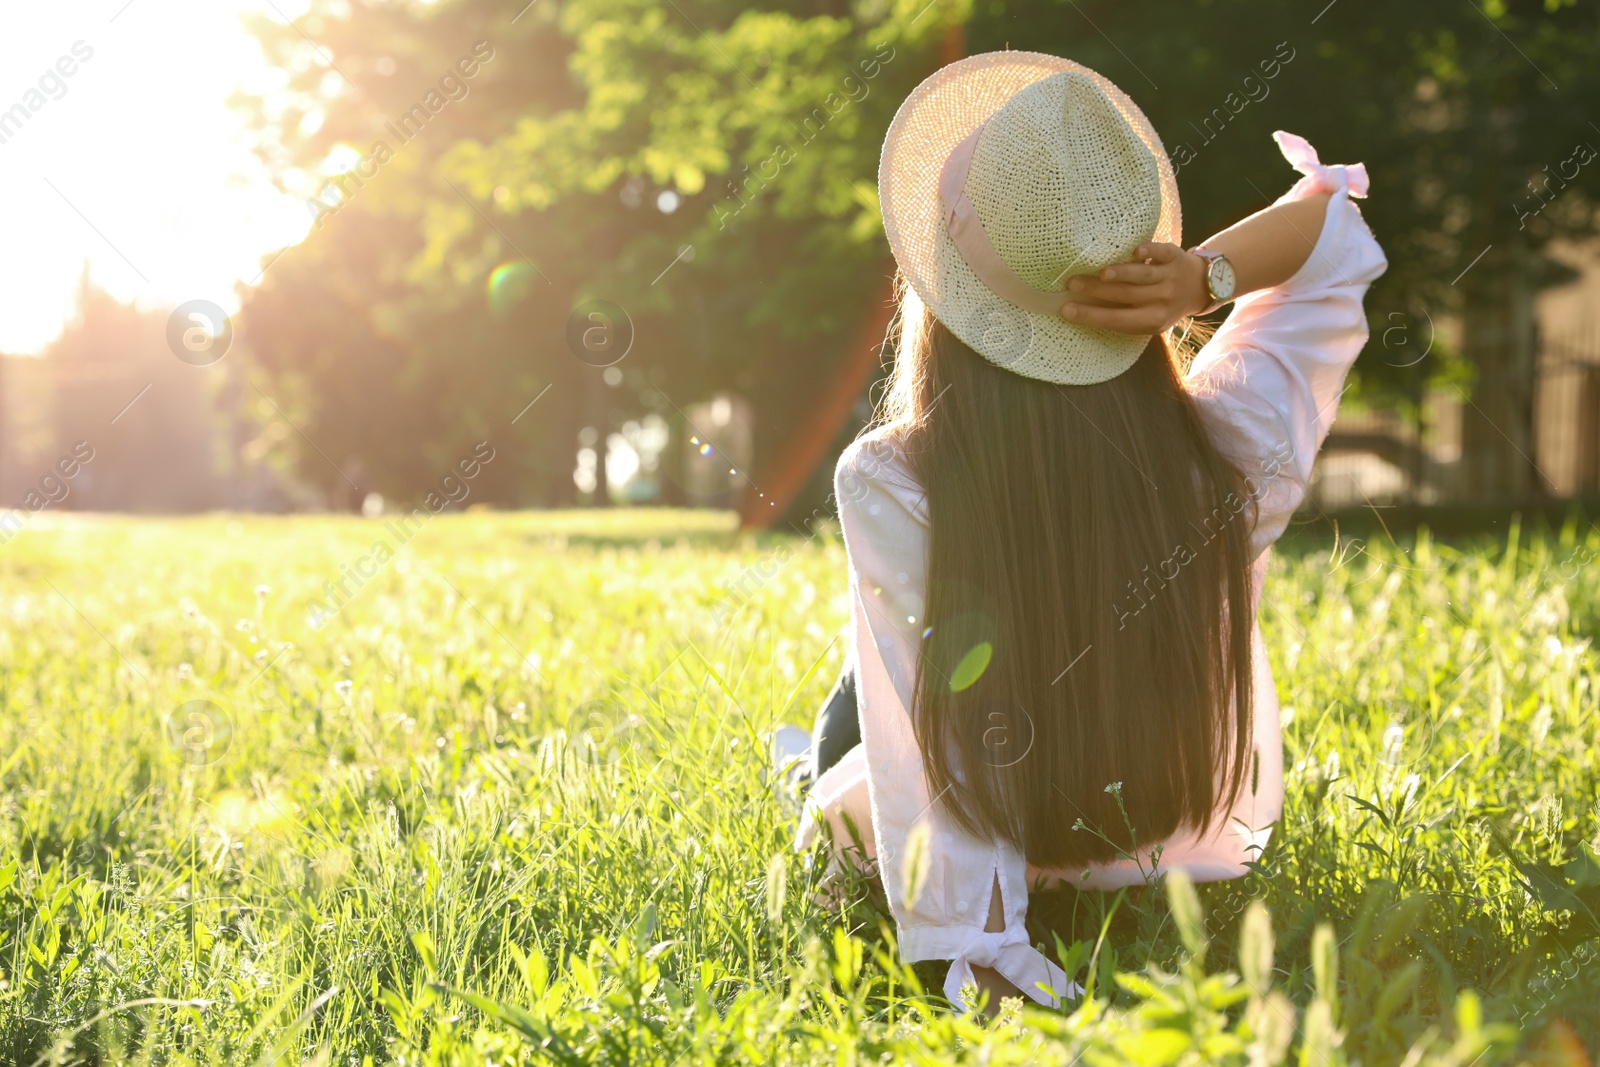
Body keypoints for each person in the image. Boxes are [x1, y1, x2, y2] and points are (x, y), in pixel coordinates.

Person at [784, 51, 1387, 1012]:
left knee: (866, 695)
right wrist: (1203, 277)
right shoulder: (1235, 449)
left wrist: (980, 941)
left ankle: (802, 771)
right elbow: (1333, 233)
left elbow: (926, 749)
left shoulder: (894, 477)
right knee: (899, 665)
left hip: (1006, 840)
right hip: (1174, 840)